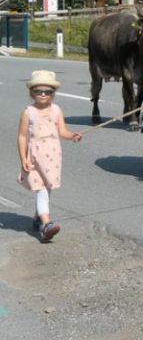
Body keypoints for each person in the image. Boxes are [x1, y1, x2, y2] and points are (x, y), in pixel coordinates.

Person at [17, 70, 82, 241]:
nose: (43, 94)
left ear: (53, 94)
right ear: (32, 93)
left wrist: (72, 136)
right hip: (34, 157)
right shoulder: (28, 112)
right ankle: (47, 225)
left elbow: (63, 131)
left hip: (52, 156)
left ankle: (38, 218)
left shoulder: (56, 110)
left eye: (48, 91)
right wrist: (23, 158)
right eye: (38, 91)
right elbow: (22, 136)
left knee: (48, 187)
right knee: (41, 190)